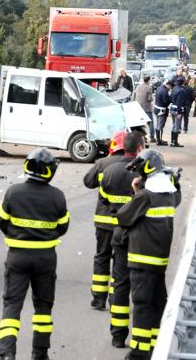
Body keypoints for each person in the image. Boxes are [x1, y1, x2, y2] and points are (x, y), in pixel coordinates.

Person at [0, 148, 69, 360]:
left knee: (12, 305)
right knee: (43, 307)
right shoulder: (58, 196)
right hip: (46, 258)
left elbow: (2, 221)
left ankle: (7, 353)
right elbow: (63, 226)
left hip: (17, 256)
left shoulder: (13, 192)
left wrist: (17, 235)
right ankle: (40, 353)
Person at [117, 150, 182, 360]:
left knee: (142, 305)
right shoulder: (170, 194)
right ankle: (155, 346)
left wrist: (135, 191)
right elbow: (177, 195)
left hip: (141, 259)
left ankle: (139, 350)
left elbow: (124, 217)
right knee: (156, 303)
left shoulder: (145, 196)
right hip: (159, 260)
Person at [100, 132, 146, 348]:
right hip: (140, 236)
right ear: (139, 148)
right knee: (141, 287)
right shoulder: (144, 172)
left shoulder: (109, 172)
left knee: (120, 284)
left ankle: (117, 336)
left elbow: (105, 201)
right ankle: (140, 338)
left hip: (118, 233)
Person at [83, 131, 130, 310]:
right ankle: (114, 297)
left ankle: (98, 298)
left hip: (103, 222)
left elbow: (88, 181)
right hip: (125, 224)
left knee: (102, 257)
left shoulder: (102, 163)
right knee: (120, 262)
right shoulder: (135, 165)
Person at [169, 77, 188, 147]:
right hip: (177, 109)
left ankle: (172, 141)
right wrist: (179, 112)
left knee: (174, 125)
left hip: (172, 108)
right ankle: (175, 142)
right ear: (182, 83)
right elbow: (179, 102)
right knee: (176, 126)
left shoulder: (174, 88)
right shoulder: (181, 91)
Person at [136, 75, 155, 143]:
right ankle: (152, 137)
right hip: (146, 107)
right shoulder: (149, 87)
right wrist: (152, 98)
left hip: (139, 107)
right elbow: (150, 99)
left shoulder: (138, 86)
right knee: (150, 123)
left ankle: (142, 137)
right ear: (149, 80)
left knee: (140, 123)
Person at [154, 80, 172, 146]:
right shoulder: (165, 91)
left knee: (159, 124)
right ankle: (159, 141)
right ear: (168, 85)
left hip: (157, 108)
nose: (170, 88)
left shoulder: (159, 88)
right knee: (160, 125)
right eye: (170, 86)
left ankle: (159, 139)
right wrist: (170, 99)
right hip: (161, 109)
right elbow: (165, 102)